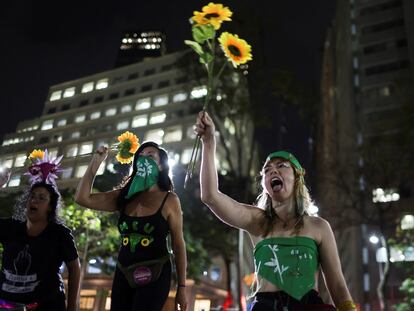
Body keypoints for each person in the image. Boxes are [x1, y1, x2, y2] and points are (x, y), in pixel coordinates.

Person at [195, 111, 357, 311]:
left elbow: (338, 285)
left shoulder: (319, 227)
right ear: (265, 185)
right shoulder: (257, 221)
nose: (273, 171)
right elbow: (210, 196)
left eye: (281, 166)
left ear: (297, 178)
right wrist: (209, 142)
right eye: (267, 170)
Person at [74, 142, 187, 311]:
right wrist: (96, 162)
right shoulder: (124, 196)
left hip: (156, 271)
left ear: (161, 165)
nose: (143, 160)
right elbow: (82, 198)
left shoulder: (170, 200)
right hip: (123, 271)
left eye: (150, 156)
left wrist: (182, 287)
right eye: (140, 157)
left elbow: (178, 245)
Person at [0, 151, 81, 311]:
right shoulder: (10, 228)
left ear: (51, 207)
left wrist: (72, 307)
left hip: (47, 305)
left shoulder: (59, 234)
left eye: (42, 198)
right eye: (32, 196)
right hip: (6, 305)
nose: (34, 200)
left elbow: (74, 267)